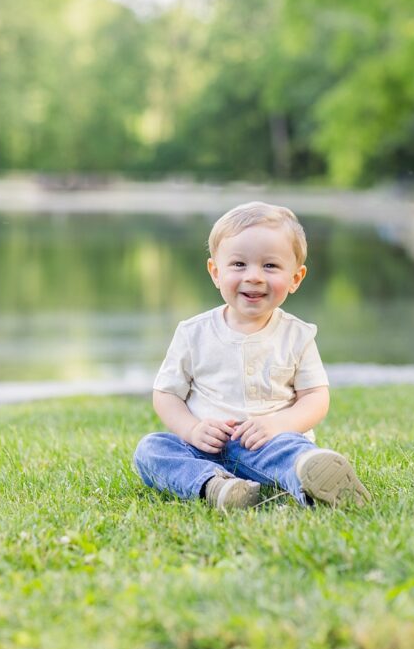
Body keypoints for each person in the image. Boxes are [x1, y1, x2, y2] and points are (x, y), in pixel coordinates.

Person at [132, 201, 370, 511]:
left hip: (268, 444)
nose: (254, 276)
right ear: (216, 272)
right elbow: (166, 395)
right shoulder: (194, 333)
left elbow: (315, 398)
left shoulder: (297, 335)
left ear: (296, 278)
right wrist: (192, 429)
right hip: (206, 448)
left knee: (293, 450)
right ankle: (216, 486)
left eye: (270, 266)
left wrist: (277, 424)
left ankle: (313, 483)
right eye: (239, 265)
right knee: (152, 449)